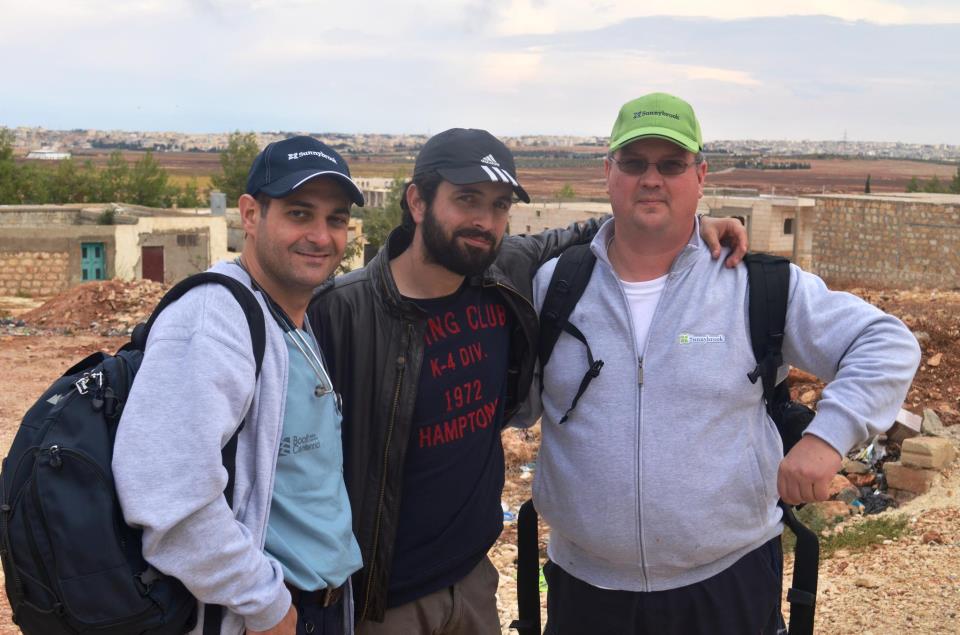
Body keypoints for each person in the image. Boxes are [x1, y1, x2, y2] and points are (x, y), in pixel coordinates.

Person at [309, 127, 748, 634]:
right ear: (417, 201)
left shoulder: (504, 273)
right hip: (379, 600)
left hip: (472, 581)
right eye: (467, 200)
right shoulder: (342, 312)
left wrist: (689, 224)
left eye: (499, 206)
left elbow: (593, 231)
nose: (484, 221)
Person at [521, 92, 922, 634]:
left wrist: (828, 438)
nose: (652, 179)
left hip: (726, 585)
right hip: (587, 591)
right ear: (608, 173)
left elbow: (887, 341)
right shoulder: (555, 286)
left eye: (672, 164)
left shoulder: (754, 284)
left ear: (701, 174)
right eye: (635, 163)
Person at [113, 136, 366, 635]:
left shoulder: (292, 315)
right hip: (261, 615)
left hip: (319, 605)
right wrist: (269, 606)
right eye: (299, 213)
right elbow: (169, 499)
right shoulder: (215, 320)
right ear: (250, 215)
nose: (321, 235)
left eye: (335, 218)